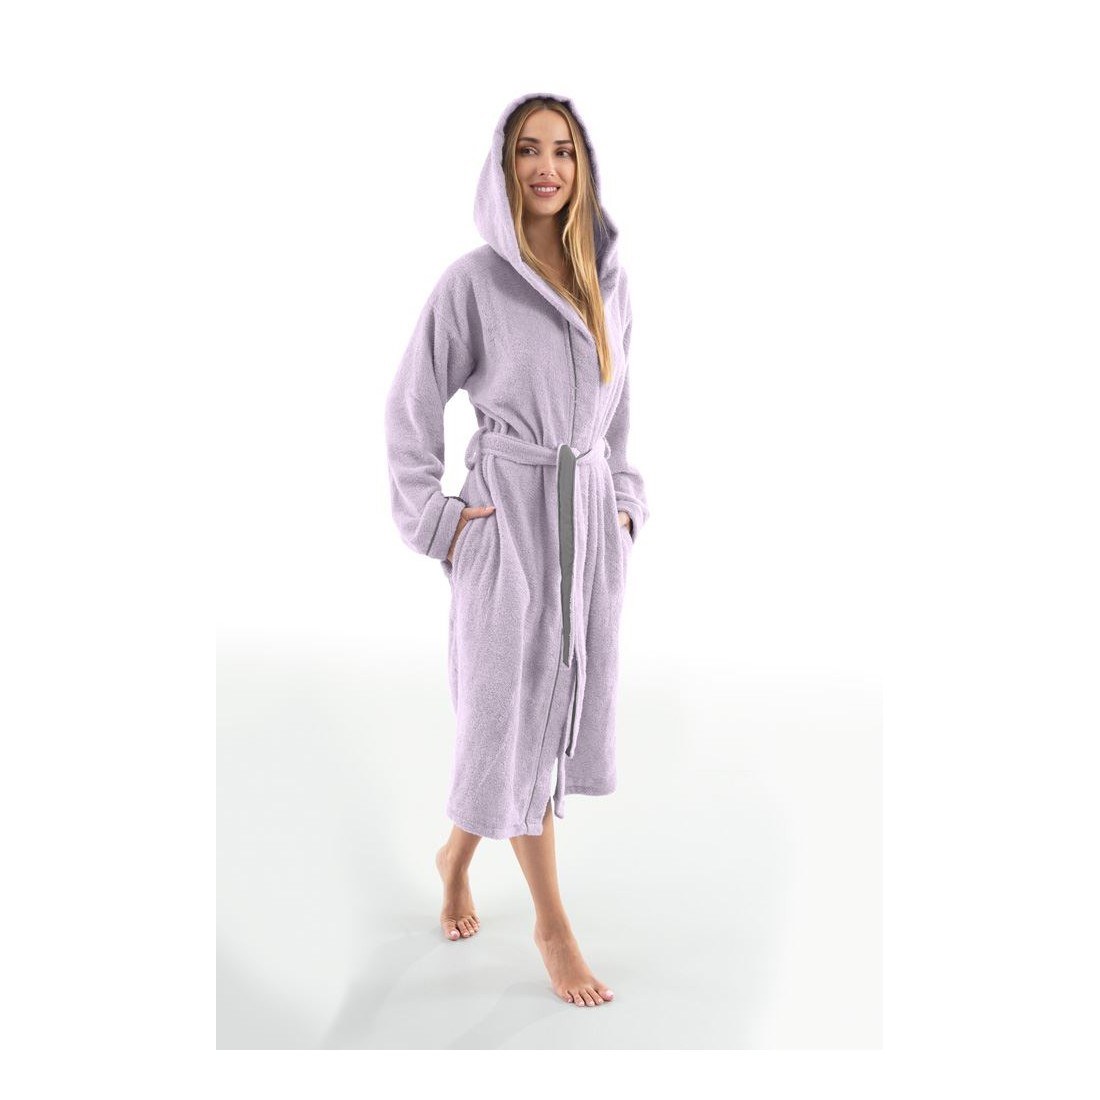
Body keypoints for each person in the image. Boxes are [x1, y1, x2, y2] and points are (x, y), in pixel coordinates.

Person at [384, 92, 649, 1007]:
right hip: (507, 523)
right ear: (503, 167)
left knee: (535, 721)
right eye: (529, 150)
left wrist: (623, 502)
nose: (547, 167)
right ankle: (552, 925)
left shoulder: (607, 279)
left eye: (563, 150)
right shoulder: (473, 284)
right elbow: (410, 404)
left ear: (583, 167)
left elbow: (619, 406)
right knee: (505, 714)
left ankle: (455, 857)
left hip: (586, 524)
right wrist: (439, 520)